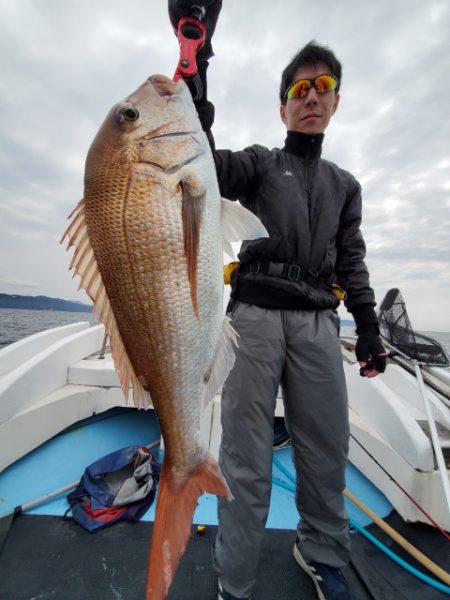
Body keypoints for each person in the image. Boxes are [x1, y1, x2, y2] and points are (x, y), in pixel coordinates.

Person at [169, 3, 387, 599]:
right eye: (299, 87)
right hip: (255, 320)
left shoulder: (347, 186)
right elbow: (203, 170)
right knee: (245, 458)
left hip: (320, 323)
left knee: (325, 451)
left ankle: (321, 553)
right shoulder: (262, 163)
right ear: (283, 104)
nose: (311, 96)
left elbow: (351, 260)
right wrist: (195, 97)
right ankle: (233, 581)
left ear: (335, 102)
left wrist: (366, 324)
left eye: (323, 87)